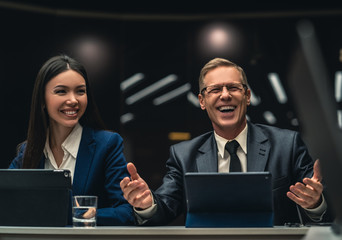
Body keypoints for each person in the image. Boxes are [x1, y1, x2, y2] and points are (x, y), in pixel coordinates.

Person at [120, 57, 333, 226]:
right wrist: (146, 205)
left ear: (247, 96)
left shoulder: (288, 145)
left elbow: (323, 204)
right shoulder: (183, 155)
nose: (225, 96)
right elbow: (165, 208)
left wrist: (315, 204)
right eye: (215, 89)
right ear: (202, 101)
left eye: (233, 87)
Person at [9, 54, 134, 226]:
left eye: (80, 91)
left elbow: (126, 211)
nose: (73, 100)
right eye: (61, 91)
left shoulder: (107, 144)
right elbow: (8, 203)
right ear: (42, 100)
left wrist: (72, 215)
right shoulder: (28, 151)